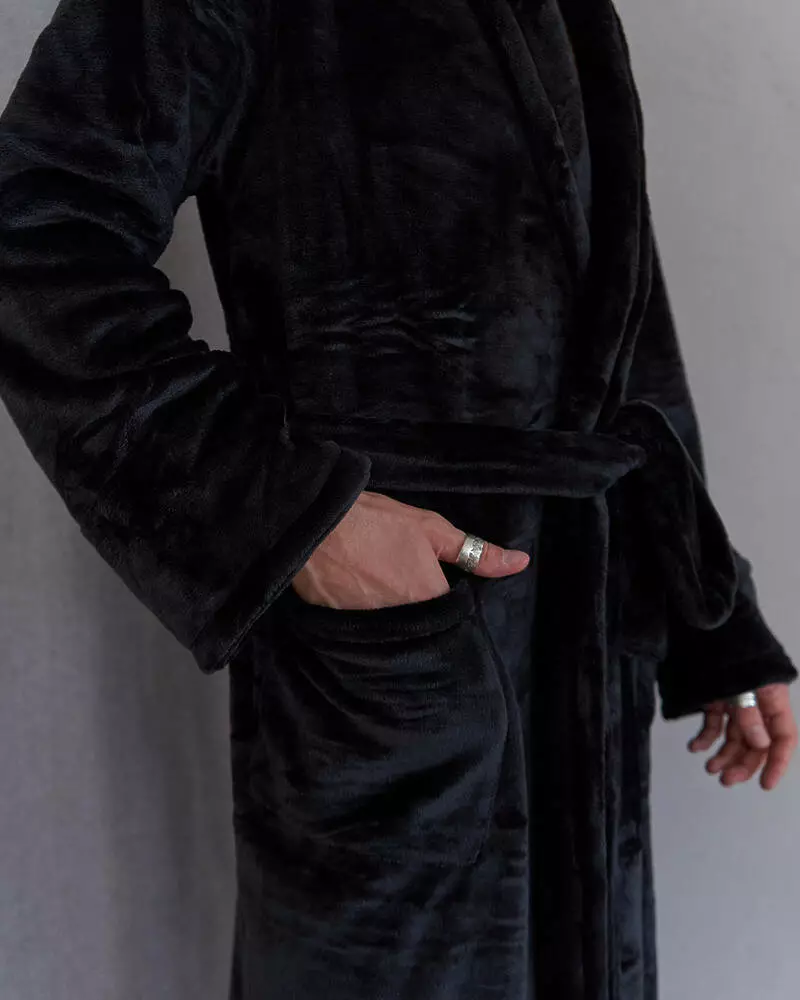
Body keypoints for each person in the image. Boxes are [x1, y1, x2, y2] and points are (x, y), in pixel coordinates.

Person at [0, 1, 796, 997]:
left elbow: (618, 314)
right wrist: (292, 516)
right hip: (395, 669)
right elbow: (33, 236)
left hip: (585, 649)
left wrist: (711, 613)